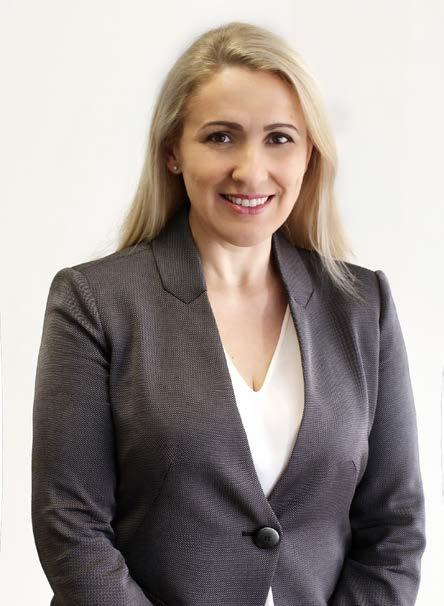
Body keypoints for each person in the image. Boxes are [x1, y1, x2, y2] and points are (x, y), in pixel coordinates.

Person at [31, 21, 426, 606]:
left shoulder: (363, 307)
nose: (251, 170)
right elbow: (71, 527)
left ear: (310, 153)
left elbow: (394, 529)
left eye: (279, 138)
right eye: (220, 137)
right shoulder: (95, 303)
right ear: (172, 151)